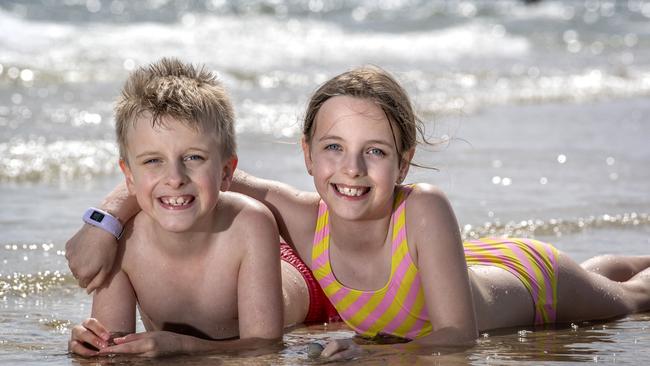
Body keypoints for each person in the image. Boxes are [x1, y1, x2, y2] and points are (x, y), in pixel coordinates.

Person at [66, 65, 650, 360]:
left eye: (374, 152)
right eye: (333, 149)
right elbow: (190, 179)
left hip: (528, 281)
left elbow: (458, 337)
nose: (351, 169)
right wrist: (107, 219)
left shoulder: (423, 208)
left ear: (404, 160)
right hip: (471, 263)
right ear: (307, 155)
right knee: (603, 273)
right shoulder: (302, 215)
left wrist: (368, 351)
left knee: (630, 301)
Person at [67, 58, 339, 358]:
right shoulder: (120, 241)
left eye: (193, 157)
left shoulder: (251, 222)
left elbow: (265, 349)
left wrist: (181, 347)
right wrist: (91, 347)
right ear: (129, 176)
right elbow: (113, 350)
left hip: (311, 290)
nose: (174, 178)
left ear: (226, 172)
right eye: (152, 160)